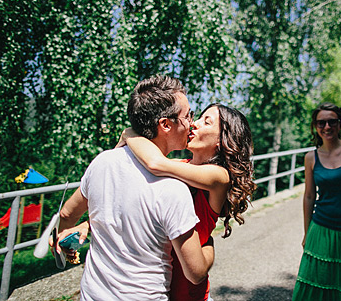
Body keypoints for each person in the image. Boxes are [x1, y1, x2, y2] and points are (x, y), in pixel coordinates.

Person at [55, 75, 215, 300]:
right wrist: (208, 245)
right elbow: (196, 273)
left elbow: (66, 213)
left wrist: (62, 236)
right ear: (165, 124)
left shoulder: (101, 162)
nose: (191, 122)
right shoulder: (173, 189)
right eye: (188, 115)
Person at [117, 103, 256, 300]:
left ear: (221, 140)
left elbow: (155, 163)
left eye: (206, 122)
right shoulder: (180, 166)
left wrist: (129, 133)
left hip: (188, 293)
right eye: (198, 118)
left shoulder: (219, 177)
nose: (194, 124)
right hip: (155, 285)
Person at [293, 102, 341, 301]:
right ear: (315, 126)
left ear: (340, 123)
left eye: (331, 122)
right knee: (318, 282)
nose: (327, 127)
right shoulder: (311, 157)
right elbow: (309, 196)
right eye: (321, 123)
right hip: (321, 230)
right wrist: (306, 232)